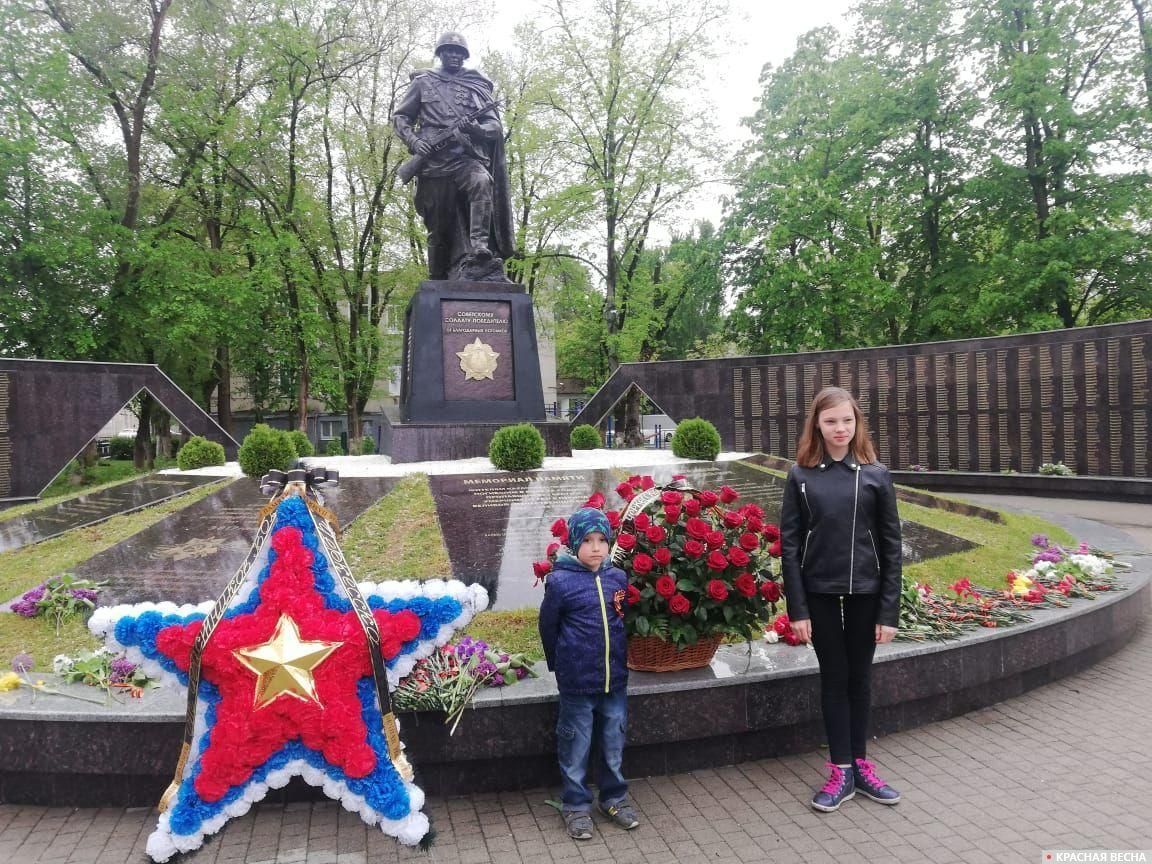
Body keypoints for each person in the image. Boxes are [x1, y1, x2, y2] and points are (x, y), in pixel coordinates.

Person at [779, 386, 904, 812]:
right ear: (817, 423)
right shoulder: (800, 477)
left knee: (860, 679)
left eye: (847, 420)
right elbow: (789, 546)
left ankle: (862, 767)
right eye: (831, 421)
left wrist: (889, 611)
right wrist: (797, 609)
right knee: (835, 679)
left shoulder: (876, 475)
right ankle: (840, 770)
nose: (840, 428)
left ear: (857, 423)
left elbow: (891, 546)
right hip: (820, 596)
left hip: (867, 594)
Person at [538, 507, 639, 840]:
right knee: (576, 747)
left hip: (614, 681)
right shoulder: (561, 581)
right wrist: (560, 665)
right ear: (573, 544)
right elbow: (548, 628)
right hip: (577, 684)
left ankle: (613, 799)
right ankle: (576, 805)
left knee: (613, 743)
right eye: (587, 541)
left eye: (601, 540)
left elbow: (622, 620)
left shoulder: (616, 578)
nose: (596, 547)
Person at [392, 31, 514, 282]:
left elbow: (494, 128)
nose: (455, 56)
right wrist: (415, 142)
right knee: (439, 230)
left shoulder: (476, 87)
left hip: (464, 158)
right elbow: (401, 117)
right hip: (433, 163)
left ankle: (480, 246)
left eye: (459, 52)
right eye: (449, 51)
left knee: (481, 180)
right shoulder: (423, 82)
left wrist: (475, 129)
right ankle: (437, 279)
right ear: (440, 54)